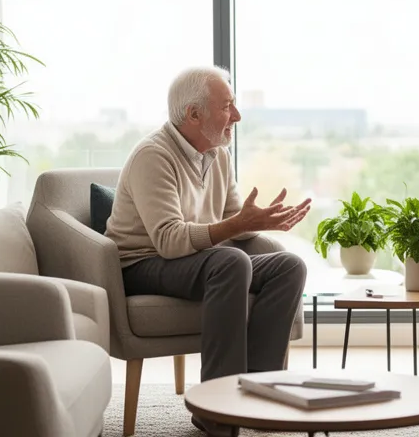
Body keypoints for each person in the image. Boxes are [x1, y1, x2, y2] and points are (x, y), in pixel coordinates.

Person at [106, 66, 310, 436]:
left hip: (194, 261)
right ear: (194, 114)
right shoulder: (153, 156)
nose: (237, 116)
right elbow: (168, 240)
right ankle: (216, 409)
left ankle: (259, 393)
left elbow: (232, 218)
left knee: (288, 266)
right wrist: (236, 225)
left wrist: (259, 221)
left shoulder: (218, 155)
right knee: (229, 261)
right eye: (227, 106)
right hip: (143, 262)